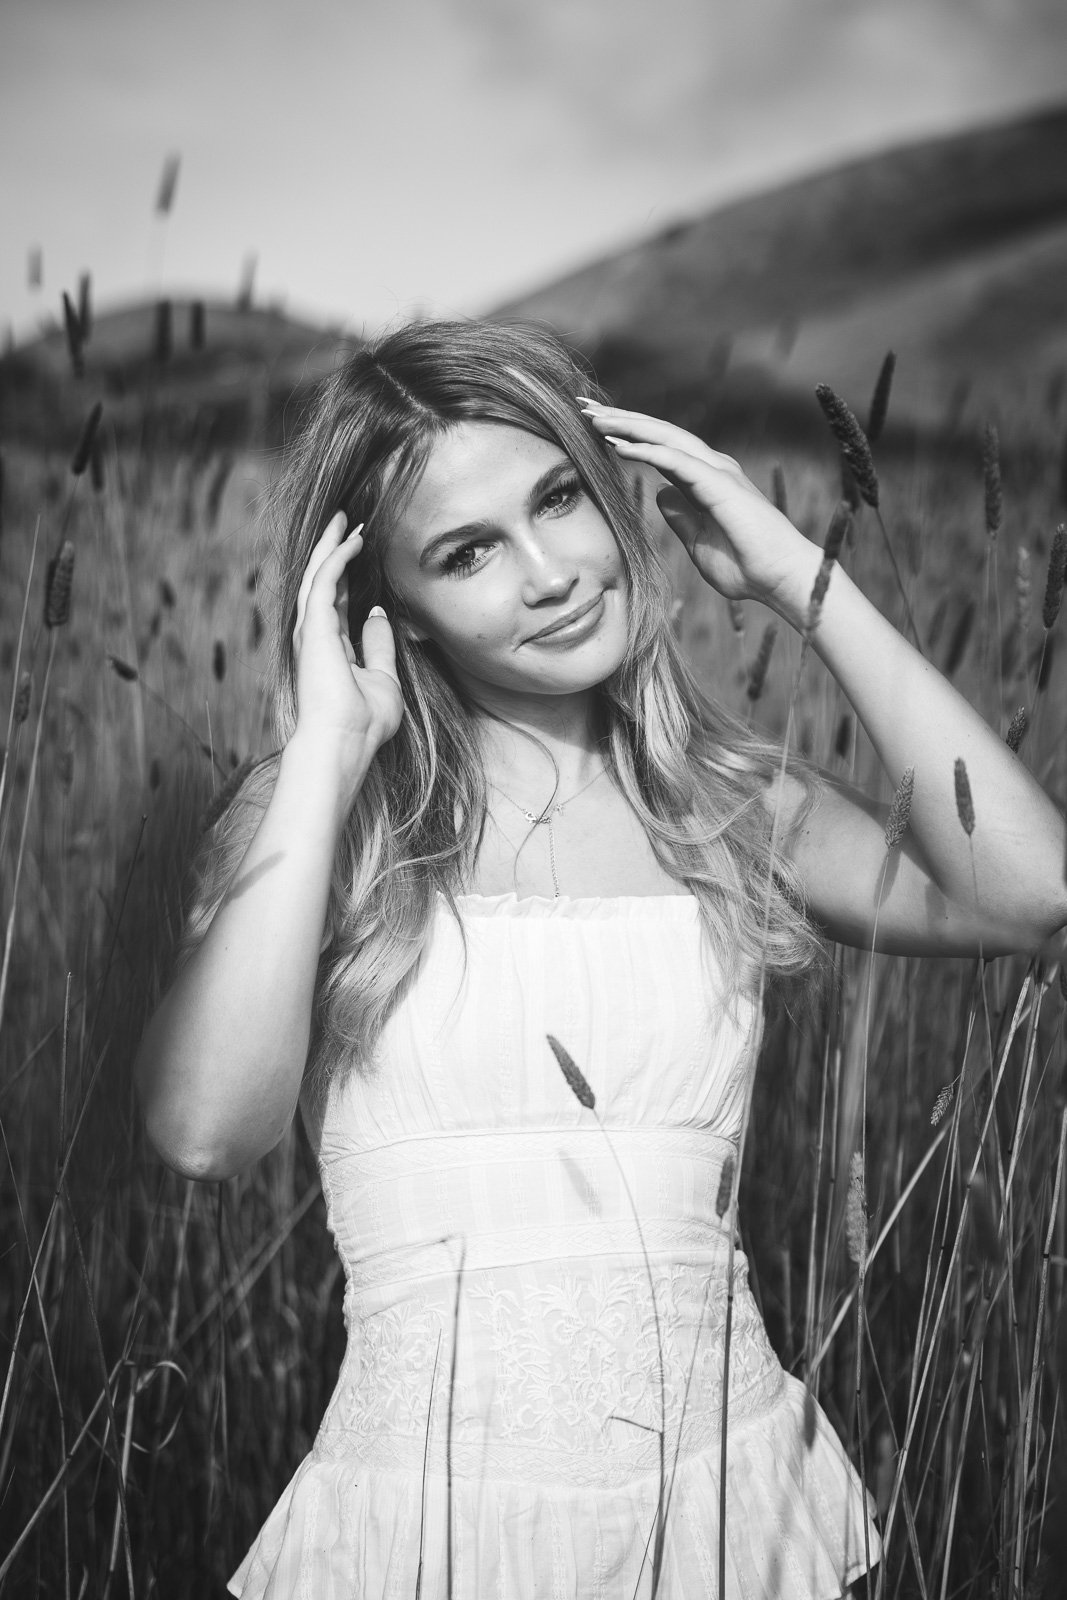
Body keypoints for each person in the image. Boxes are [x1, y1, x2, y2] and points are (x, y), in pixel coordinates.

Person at [135, 318, 1067, 1599]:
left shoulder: (729, 803)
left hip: (734, 1517)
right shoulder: (319, 821)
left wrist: (799, 573)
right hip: (424, 1537)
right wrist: (324, 760)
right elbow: (201, 1130)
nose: (549, 573)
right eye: (468, 552)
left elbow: (1028, 893)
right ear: (384, 599)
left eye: (560, 497)